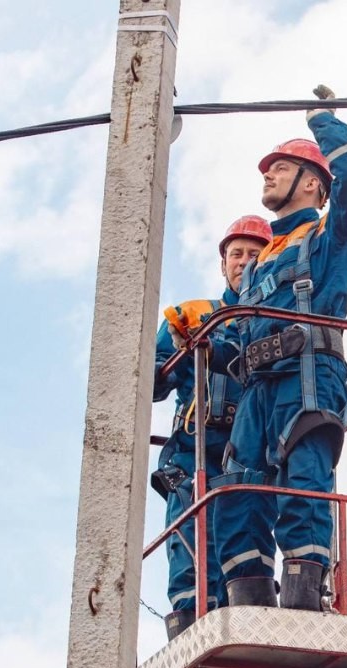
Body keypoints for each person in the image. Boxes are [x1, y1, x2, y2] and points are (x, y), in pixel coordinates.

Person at [207, 85, 347, 611]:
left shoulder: (328, 239)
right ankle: (248, 604)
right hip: (258, 390)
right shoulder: (256, 268)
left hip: (307, 375)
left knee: (304, 482)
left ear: (311, 183)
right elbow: (231, 340)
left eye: (281, 168)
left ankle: (302, 599)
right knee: (237, 496)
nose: (268, 174)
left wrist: (324, 122)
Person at [152, 214, 272, 639]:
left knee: (246, 539)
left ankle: (249, 619)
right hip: (195, 450)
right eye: (236, 253)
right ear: (223, 264)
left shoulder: (275, 320)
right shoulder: (196, 314)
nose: (244, 261)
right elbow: (155, 379)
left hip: (251, 451)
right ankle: (189, 625)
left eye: (254, 253)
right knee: (191, 542)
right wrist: (161, 367)